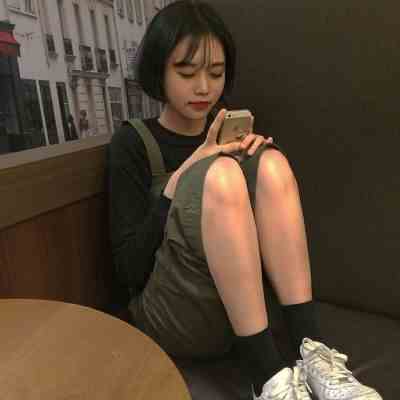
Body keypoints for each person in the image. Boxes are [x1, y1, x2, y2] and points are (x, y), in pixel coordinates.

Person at [108, 1, 383, 399]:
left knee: (271, 164)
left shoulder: (230, 135)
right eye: (186, 72)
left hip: (242, 313)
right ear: (158, 71)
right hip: (174, 314)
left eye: (216, 72)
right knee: (221, 175)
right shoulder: (132, 143)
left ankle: (313, 352)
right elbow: (129, 271)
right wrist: (183, 178)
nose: (204, 87)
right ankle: (266, 376)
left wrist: (250, 167)